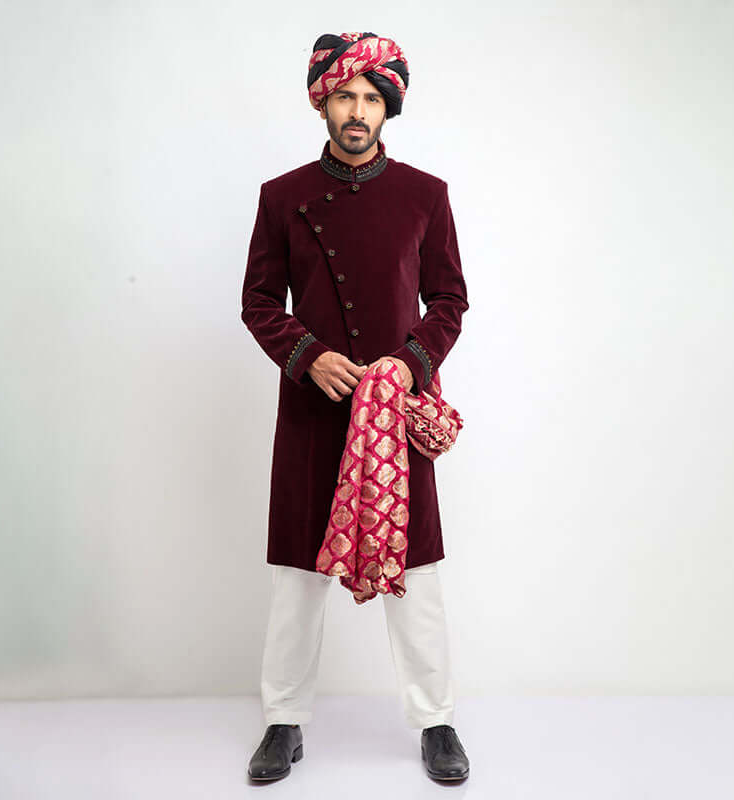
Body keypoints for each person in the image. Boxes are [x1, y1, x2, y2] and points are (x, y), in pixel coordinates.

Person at [240, 31, 470, 782]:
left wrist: (408, 367)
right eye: (345, 95)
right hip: (314, 411)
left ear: (388, 107)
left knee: (419, 570)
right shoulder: (282, 197)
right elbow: (258, 302)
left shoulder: (425, 195)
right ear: (323, 102)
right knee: (297, 575)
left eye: (372, 98)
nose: (358, 111)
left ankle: (435, 720)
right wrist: (309, 356)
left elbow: (449, 301)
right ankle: (284, 720)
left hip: (396, 413)